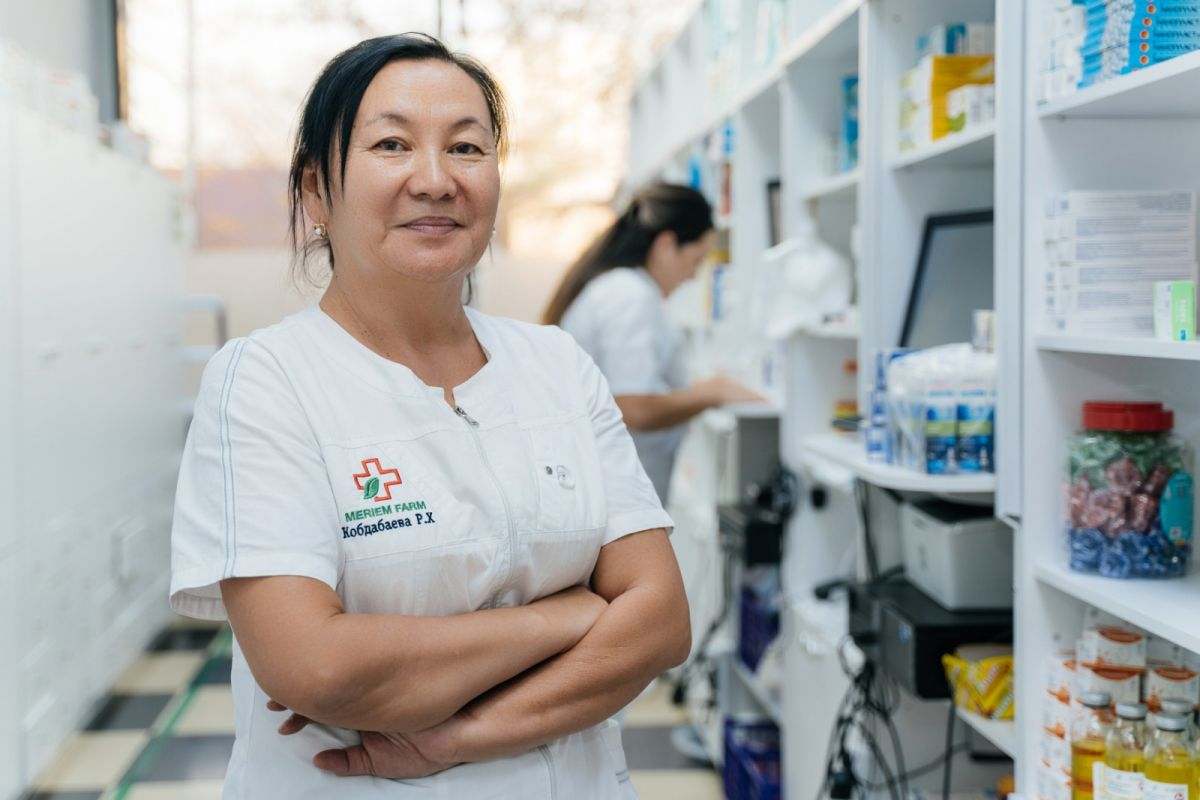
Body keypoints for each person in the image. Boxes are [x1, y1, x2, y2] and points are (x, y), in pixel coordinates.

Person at [168, 33, 690, 799]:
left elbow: (663, 621)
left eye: (467, 148)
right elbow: (316, 666)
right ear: (316, 191)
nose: (437, 180)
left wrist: (454, 739)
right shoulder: (265, 382)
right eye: (392, 144)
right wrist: (572, 615)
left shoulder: (558, 365)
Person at [543, 184, 764, 504]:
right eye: (695, 260)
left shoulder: (620, 288)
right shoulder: (629, 295)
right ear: (666, 245)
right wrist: (712, 392)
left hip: (609, 490)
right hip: (612, 495)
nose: (692, 276)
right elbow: (634, 408)